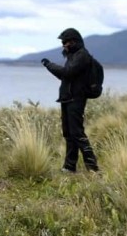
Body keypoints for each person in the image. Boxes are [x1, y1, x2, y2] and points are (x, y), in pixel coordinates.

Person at [42, 28, 99, 173]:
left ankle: (93, 168)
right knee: (69, 134)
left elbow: (67, 73)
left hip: (76, 99)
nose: (63, 45)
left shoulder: (82, 56)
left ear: (73, 41)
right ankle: (69, 166)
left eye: (65, 42)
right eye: (63, 42)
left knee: (77, 133)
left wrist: (49, 65)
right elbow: (66, 76)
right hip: (67, 99)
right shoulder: (73, 56)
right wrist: (51, 67)